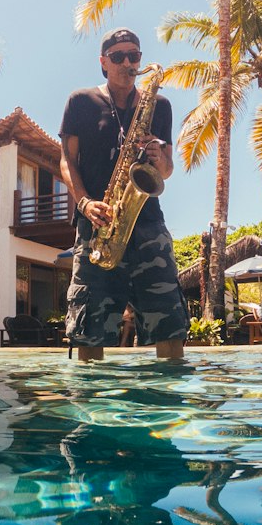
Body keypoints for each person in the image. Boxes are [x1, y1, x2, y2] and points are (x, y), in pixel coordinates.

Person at [60, 27, 189, 361]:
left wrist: (160, 158)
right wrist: (84, 202)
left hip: (148, 226)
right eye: (119, 57)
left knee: (170, 328)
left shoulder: (159, 105)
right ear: (103, 62)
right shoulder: (81, 101)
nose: (128, 63)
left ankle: (168, 404)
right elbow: (66, 161)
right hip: (98, 225)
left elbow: (168, 171)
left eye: (135, 55)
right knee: (89, 332)